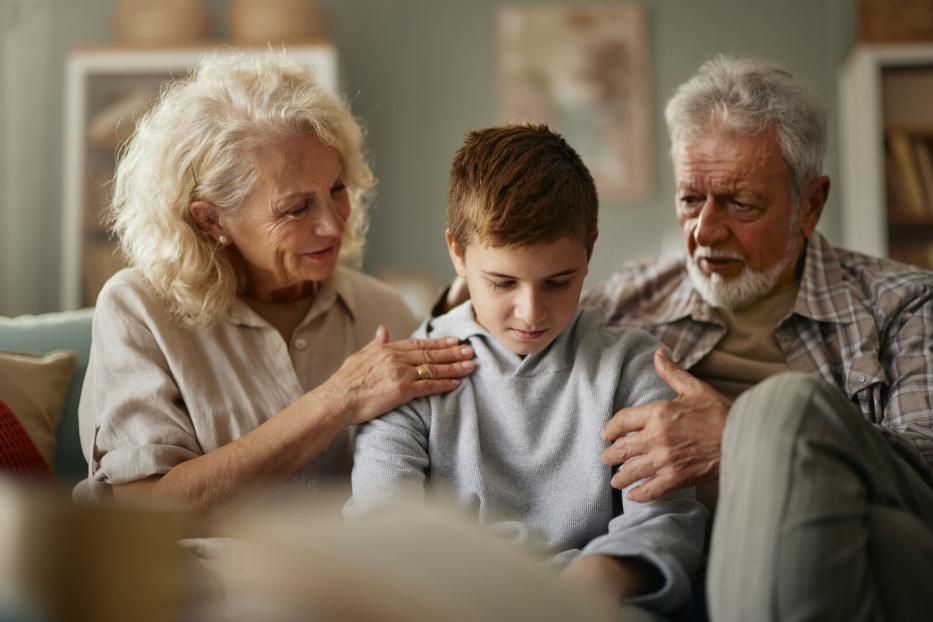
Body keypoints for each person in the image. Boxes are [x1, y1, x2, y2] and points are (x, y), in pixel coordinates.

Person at [583, 56, 933, 620]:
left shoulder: (904, 304)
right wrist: (451, 315)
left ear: (810, 205)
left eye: (741, 203)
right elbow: (514, 315)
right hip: (661, 568)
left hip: (818, 561)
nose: (705, 231)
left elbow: (923, 483)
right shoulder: (627, 298)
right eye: (689, 198)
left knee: (790, 409)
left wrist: (747, 438)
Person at [75, 52, 476, 512]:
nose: (333, 224)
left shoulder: (383, 311)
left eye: (337, 189)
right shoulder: (136, 309)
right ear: (211, 219)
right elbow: (142, 511)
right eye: (296, 208)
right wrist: (336, 401)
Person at [348, 125, 707, 618]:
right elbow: (383, 518)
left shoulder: (633, 367)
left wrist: (601, 575)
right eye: (502, 283)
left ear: (590, 250)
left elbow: (665, 519)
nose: (531, 313)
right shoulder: (408, 374)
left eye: (558, 282)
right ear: (457, 252)